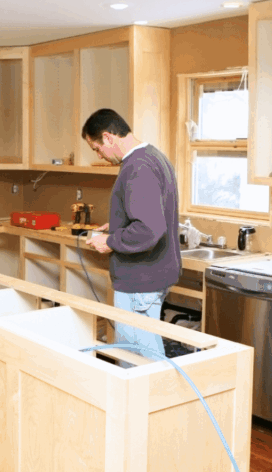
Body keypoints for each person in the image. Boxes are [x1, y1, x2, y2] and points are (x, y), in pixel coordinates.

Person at [83, 108, 180, 361]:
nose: (99, 155)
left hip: (140, 281)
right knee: (140, 358)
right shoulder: (153, 157)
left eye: (96, 148)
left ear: (109, 137)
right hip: (150, 276)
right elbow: (147, 214)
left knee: (139, 362)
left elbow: (149, 228)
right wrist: (115, 226)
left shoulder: (137, 167)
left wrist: (112, 241)